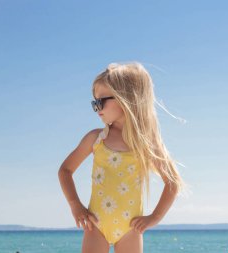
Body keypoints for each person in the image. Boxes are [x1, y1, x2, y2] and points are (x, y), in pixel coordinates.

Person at [58, 62, 188, 253]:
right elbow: (65, 170)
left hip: (130, 229)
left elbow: (172, 182)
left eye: (101, 100)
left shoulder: (145, 143)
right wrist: (75, 205)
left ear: (125, 98)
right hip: (96, 225)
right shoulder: (96, 139)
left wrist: (154, 218)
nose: (97, 108)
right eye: (95, 103)